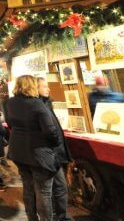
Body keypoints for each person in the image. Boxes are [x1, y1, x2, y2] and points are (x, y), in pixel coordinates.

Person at [7, 75, 60, 221]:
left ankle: (31, 218)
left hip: (18, 152)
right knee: (43, 192)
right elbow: (50, 131)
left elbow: (10, 123)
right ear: (32, 86)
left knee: (28, 188)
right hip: (38, 153)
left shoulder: (10, 102)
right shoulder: (36, 103)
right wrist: (55, 144)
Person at [37, 77, 73, 221]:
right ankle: (51, 217)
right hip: (48, 154)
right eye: (44, 86)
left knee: (60, 188)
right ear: (36, 88)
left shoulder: (47, 104)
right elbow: (48, 131)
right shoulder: (38, 106)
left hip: (55, 153)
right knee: (47, 191)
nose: (49, 88)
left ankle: (62, 216)